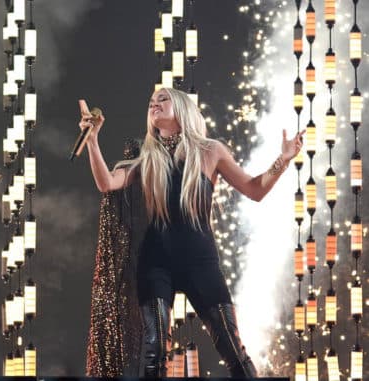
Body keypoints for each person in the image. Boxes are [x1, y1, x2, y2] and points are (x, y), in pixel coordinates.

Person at [80, 87, 304, 378]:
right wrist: (92, 140)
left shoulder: (211, 151)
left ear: (183, 107)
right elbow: (107, 183)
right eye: (150, 102)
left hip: (200, 261)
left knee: (231, 346)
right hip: (155, 262)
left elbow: (255, 189)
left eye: (163, 99)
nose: (154, 104)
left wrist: (283, 160)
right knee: (154, 349)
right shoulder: (146, 157)